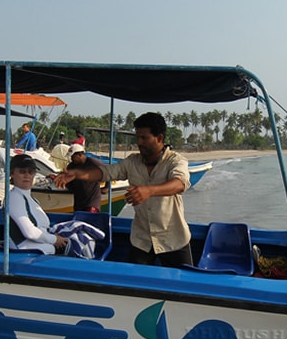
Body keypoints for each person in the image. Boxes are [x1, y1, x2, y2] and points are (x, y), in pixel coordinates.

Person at [53, 112, 191, 267]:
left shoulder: (175, 161)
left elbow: (180, 183)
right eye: (137, 137)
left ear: (159, 138)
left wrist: (149, 191)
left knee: (183, 284)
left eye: (144, 138)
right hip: (142, 240)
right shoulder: (132, 162)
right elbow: (106, 172)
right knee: (136, 285)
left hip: (173, 238)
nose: (139, 142)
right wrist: (77, 174)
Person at [8, 153, 69, 254]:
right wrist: (55, 240)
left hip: (39, 246)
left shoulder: (31, 198)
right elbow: (30, 233)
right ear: (12, 173)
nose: (27, 176)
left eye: (31, 172)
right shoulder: (14, 197)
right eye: (22, 172)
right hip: (23, 251)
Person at [65, 143, 102, 212]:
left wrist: (107, 187)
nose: (71, 159)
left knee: (89, 218)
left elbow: (107, 172)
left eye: (73, 157)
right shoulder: (71, 166)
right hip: (79, 202)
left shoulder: (93, 163)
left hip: (92, 201)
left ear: (80, 155)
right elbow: (67, 180)